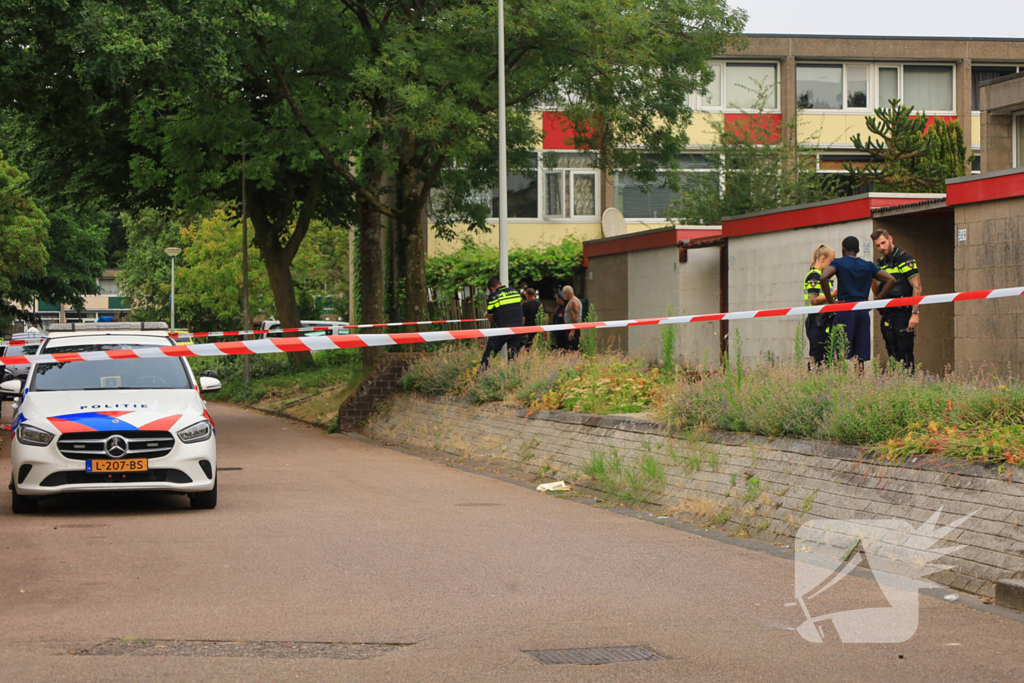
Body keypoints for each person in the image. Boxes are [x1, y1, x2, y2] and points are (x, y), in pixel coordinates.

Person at [819, 236, 896, 364]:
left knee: (839, 355)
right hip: (862, 311)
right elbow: (891, 280)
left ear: (843, 250)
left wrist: (831, 303)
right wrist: (875, 302)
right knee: (859, 357)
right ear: (859, 250)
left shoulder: (839, 263)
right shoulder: (868, 265)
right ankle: (859, 382)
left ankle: (839, 381)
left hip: (844, 309)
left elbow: (823, 277)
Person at [871, 229, 922, 371]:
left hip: (903, 312)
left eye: (883, 243)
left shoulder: (904, 258)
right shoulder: (881, 263)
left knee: (904, 352)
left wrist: (915, 313)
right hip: (888, 312)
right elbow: (879, 292)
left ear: (890, 239)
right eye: (878, 245)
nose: (882, 248)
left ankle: (909, 383)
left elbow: (917, 287)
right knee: (891, 351)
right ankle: (897, 384)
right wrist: (870, 277)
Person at [479, 277, 524, 370]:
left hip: (502, 328)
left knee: (489, 356)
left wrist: (493, 327)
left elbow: (490, 315)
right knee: (513, 357)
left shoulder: (494, 296)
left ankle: (480, 378)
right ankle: (514, 379)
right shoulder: (515, 292)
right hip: (518, 328)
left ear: (491, 288)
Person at [803, 244, 836, 366]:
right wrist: (833, 294)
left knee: (826, 358)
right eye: (830, 261)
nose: (832, 265)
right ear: (823, 258)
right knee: (817, 358)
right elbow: (813, 300)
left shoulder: (823, 276)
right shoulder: (814, 276)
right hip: (816, 321)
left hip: (824, 321)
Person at [562, 285, 582, 352]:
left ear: (567, 293)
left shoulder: (573, 302)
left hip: (573, 329)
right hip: (571, 328)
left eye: (563, 293)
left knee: (572, 348)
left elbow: (575, 317)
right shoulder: (573, 301)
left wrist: (572, 331)